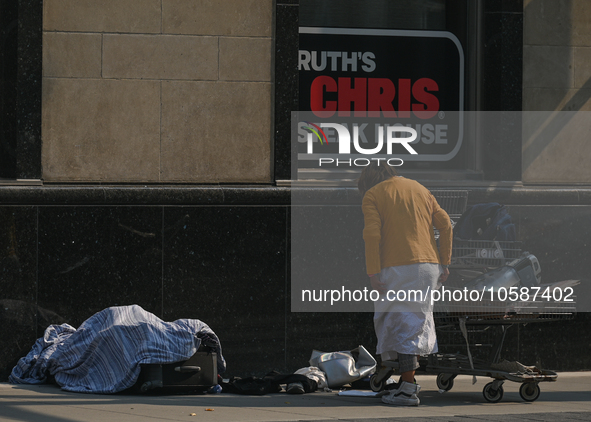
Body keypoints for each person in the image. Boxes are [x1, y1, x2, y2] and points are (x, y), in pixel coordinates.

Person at [358, 162, 452, 406]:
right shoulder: (420, 188)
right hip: (429, 265)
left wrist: (372, 272)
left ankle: (408, 389)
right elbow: (445, 224)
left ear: (368, 180)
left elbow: (372, 234)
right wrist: (445, 261)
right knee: (415, 321)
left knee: (399, 322)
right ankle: (403, 382)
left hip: (398, 266)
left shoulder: (373, 194)